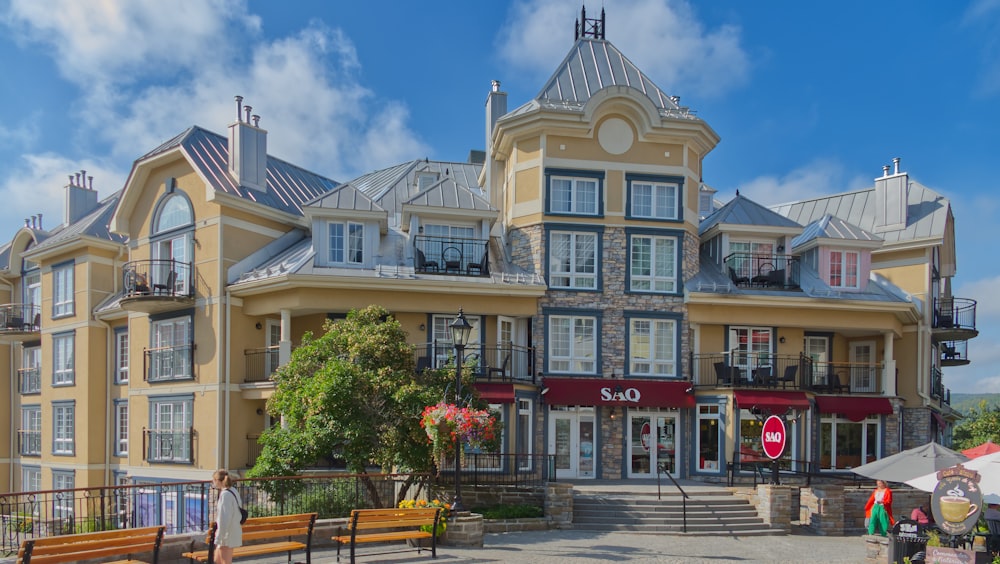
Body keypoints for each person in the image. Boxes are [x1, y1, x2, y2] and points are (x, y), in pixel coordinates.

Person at [211, 469, 243, 564]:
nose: (213, 482)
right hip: (232, 531)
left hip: (226, 535)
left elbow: (225, 518)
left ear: (217, 480)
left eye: (213, 480)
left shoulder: (225, 495)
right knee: (217, 560)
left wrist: (220, 536)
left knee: (225, 561)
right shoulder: (233, 491)